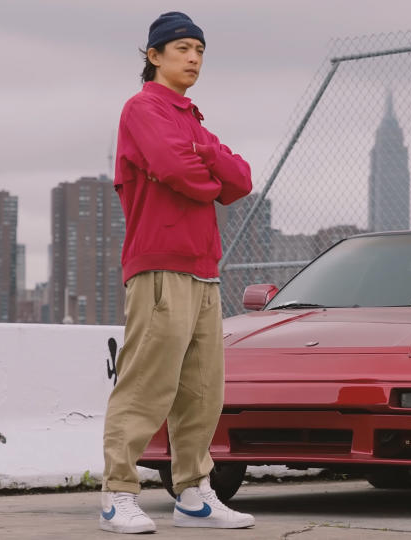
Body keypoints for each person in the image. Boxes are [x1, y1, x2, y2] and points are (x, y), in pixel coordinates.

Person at [99, 11, 254, 534]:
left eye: (200, 50)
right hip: (159, 266)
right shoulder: (143, 108)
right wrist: (208, 171)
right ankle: (117, 494)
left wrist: (205, 151)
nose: (193, 58)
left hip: (204, 270)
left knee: (202, 393)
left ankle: (193, 494)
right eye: (183, 48)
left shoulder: (193, 120)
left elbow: (241, 179)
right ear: (154, 55)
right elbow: (175, 170)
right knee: (146, 385)